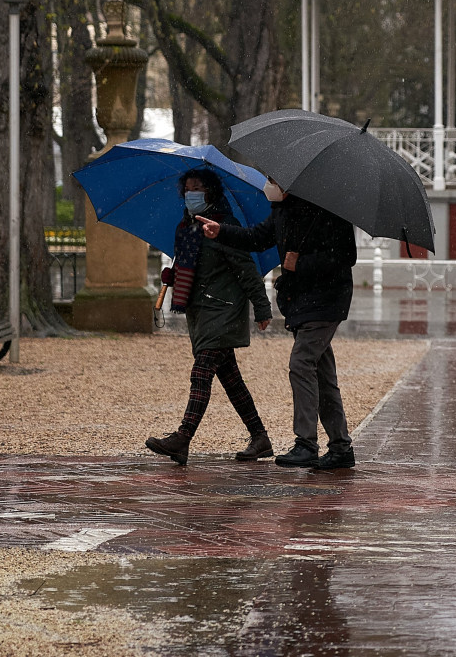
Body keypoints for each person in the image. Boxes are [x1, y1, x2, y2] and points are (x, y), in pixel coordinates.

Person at [196, 177, 358, 470]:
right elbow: (257, 238)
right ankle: (340, 447)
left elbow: (346, 256)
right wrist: (221, 232)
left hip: (327, 300)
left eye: (273, 179)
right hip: (300, 300)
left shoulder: (329, 210)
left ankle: (306, 444)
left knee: (301, 363)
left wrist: (302, 263)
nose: (269, 184)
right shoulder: (283, 209)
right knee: (322, 375)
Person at [146, 168, 274, 466]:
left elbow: (246, 269)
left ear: (211, 192)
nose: (191, 194)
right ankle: (260, 437)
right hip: (201, 311)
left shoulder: (224, 226)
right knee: (231, 379)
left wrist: (263, 308)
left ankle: (182, 437)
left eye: (198, 188)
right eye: (188, 188)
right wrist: (173, 275)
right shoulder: (186, 228)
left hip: (225, 309)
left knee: (202, 371)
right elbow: (195, 266)